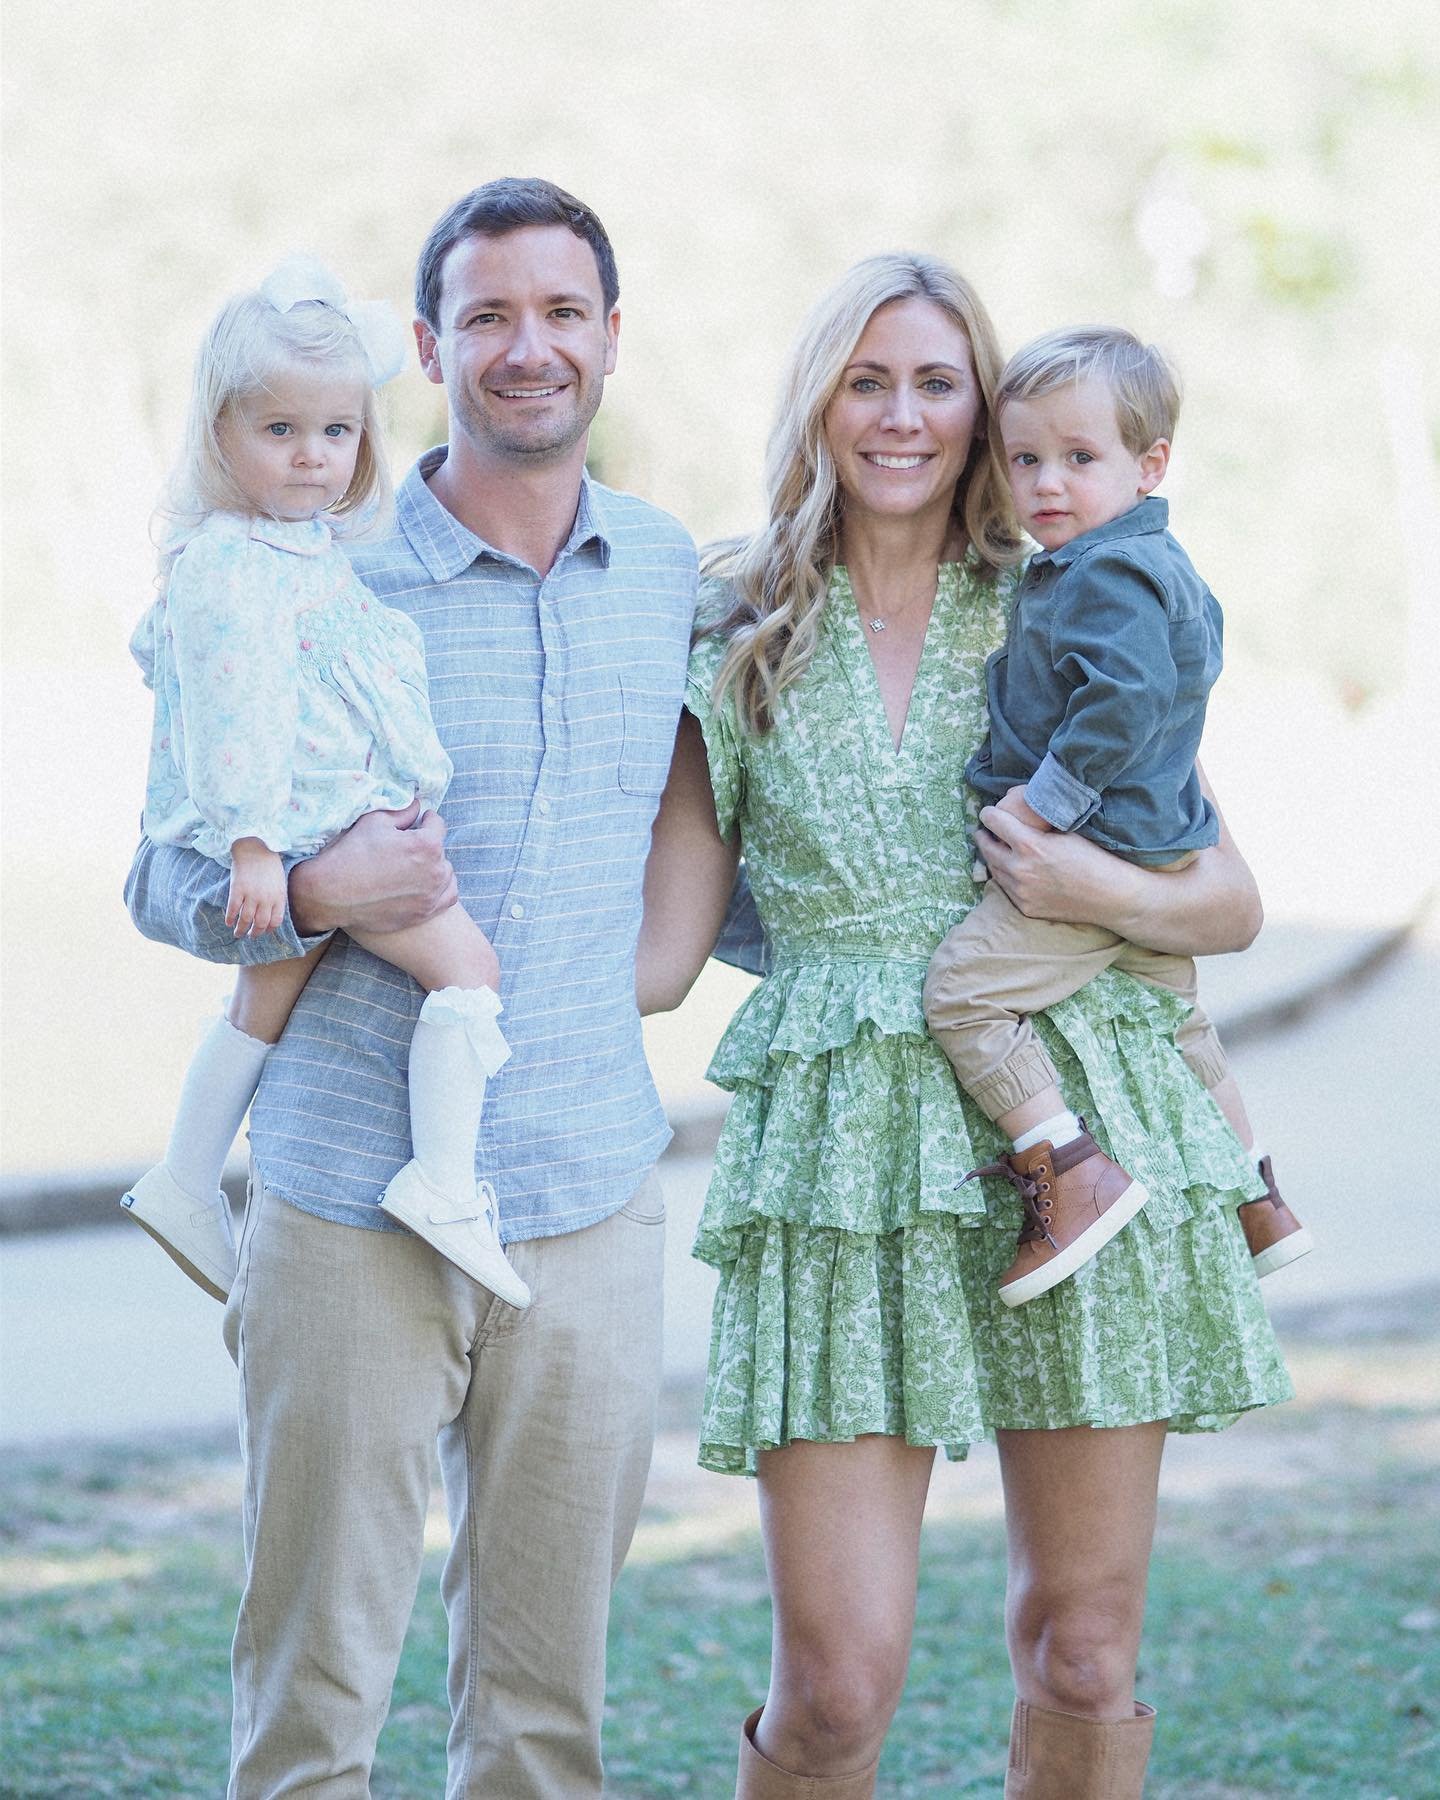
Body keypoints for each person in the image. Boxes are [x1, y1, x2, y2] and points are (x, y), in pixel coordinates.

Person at [636, 255, 1293, 1798]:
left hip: (1081, 1147)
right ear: (819, 401)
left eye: (940, 383)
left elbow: (1232, 900)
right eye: (869, 379)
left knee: (1083, 1646)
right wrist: (405, 939)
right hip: (841, 1182)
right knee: (839, 1687)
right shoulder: (734, 625)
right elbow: (660, 953)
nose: (904, 415)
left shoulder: (1069, 584)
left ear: (987, 411)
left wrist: (1078, 879)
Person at [125, 179, 698, 1798]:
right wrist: (308, 892)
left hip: (588, 1203)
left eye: (563, 312)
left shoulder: (668, 571)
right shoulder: (305, 564)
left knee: (543, 1718)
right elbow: (163, 875)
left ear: (608, 341)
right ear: (431, 346)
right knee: (313, 1701)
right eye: (492, 316)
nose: (531, 347)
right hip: (344, 1216)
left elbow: (713, 823)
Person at [123, 256, 524, 1311]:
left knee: (265, 995)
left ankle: (182, 1178)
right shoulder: (229, 564)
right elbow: (235, 706)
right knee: (468, 971)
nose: (312, 457)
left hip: (316, 815)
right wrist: (256, 842)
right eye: (280, 431)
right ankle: (441, 1181)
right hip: (298, 824)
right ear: (221, 433)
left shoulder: (296, 548)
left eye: (336, 433)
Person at [921, 325, 1311, 1305]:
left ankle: (1069, 1168)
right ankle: (1258, 1194)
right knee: (1180, 1024)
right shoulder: (1147, 558)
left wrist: (1048, 807)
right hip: (1163, 841)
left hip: (1098, 846)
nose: (1048, 484)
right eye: (1026, 460)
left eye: (1079, 459)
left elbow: (1126, 697)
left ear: (1150, 465)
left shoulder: (1103, 573)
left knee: (966, 990)